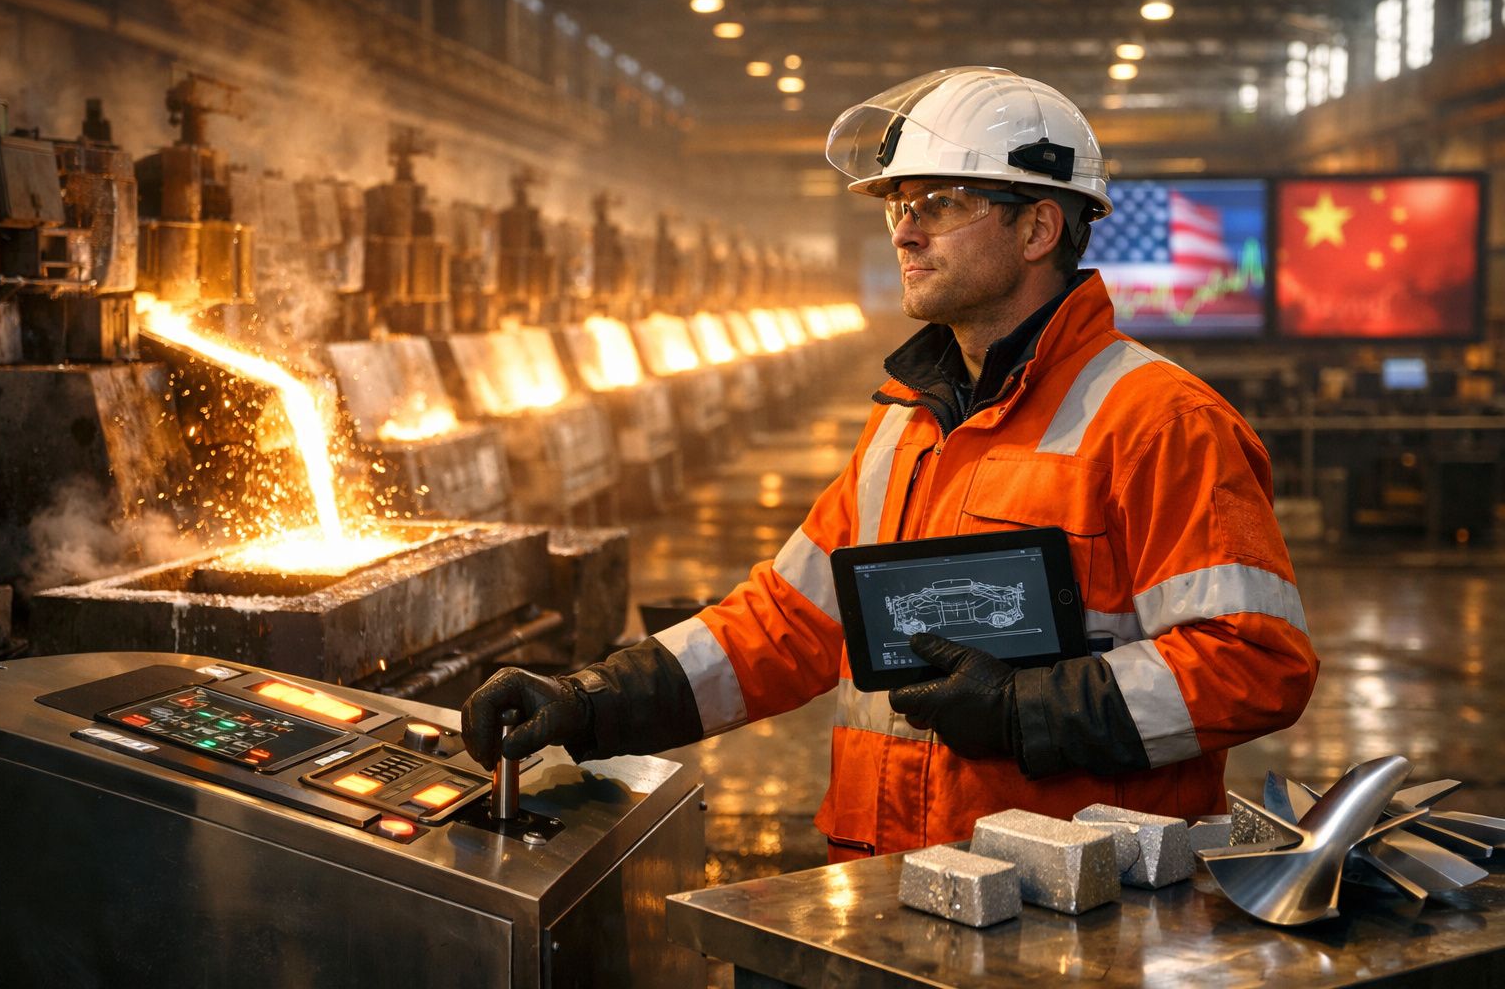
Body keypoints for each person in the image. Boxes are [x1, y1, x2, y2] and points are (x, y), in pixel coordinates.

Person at [462, 66, 1318, 862]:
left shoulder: (1160, 422)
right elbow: (789, 619)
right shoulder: (907, 422)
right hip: (887, 892)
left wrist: (1028, 710)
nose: (905, 230)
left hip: (1071, 912)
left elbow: (1255, 661)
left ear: (1037, 228)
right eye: (899, 205)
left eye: (940, 203)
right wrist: (594, 700)